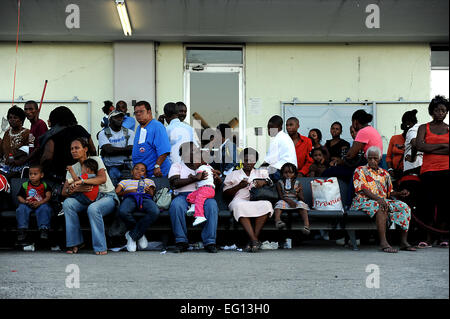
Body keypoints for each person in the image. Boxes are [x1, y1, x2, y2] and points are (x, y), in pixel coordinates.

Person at [351, 146, 415, 253]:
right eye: (370, 158)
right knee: (381, 206)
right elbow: (363, 189)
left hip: (381, 201)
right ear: (366, 158)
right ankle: (383, 242)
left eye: (375, 158)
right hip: (363, 201)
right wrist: (379, 199)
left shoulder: (385, 173)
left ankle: (403, 242)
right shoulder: (360, 170)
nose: (372, 161)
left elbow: (390, 192)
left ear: (380, 159)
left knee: (404, 207)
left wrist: (400, 193)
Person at [62, 138, 118, 255]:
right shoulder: (73, 168)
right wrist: (75, 189)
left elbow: (102, 179)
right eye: (71, 149)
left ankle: (100, 247)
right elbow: (64, 192)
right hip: (86, 198)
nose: (73, 151)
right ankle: (75, 243)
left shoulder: (95, 160)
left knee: (93, 208)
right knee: (68, 203)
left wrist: (82, 182)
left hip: (106, 196)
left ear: (85, 149)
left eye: (77, 148)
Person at [168, 142, 221, 253]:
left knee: (212, 205)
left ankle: (210, 242)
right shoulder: (177, 166)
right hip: (184, 196)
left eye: (197, 150)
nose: (198, 153)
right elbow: (174, 183)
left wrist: (217, 179)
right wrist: (195, 179)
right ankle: (181, 241)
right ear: (184, 155)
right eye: (194, 151)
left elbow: (215, 184)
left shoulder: (205, 166)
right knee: (176, 205)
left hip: (203, 195)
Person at [223, 148, 273, 252]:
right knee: (239, 206)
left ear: (255, 161)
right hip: (239, 200)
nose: (249, 163)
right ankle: (254, 240)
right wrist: (239, 186)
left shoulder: (261, 172)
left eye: (251, 160)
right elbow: (225, 194)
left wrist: (263, 182)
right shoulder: (233, 174)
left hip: (257, 200)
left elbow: (270, 184)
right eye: (246, 160)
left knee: (266, 205)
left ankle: (252, 240)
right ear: (242, 160)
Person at [415, 95, 449, 248]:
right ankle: (427, 238)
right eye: (437, 110)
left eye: (444, 110)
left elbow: (426, 147)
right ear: (431, 111)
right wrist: (443, 147)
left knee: (445, 205)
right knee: (427, 204)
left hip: (447, 171)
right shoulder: (424, 127)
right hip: (428, 171)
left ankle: (442, 237)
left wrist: (432, 148)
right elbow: (420, 146)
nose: (441, 113)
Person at [39, 106, 96, 184]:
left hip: (61, 176)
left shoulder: (53, 134)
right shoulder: (81, 129)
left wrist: (39, 169)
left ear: (54, 119)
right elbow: (93, 150)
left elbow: (47, 157)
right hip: (84, 173)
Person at [116, 162, 159, 252]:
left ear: (145, 174)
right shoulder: (125, 181)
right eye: (136, 169)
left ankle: (132, 235)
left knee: (155, 211)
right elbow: (117, 193)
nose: (139, 171)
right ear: (132, 172)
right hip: (130, 197)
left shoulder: (148, 181)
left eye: (142, 170)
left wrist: (148, 190)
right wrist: (130, 191)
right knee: (123, 211)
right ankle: (139, 234)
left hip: (145, 198)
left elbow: (151, 194)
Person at [132, 101, 171, 177]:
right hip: (143, 174)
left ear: (149, 112)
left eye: (141, 111)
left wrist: (157, 166)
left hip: (157, 174)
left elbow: (164, 150)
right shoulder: (139, 128)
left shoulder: (157, 126)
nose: (138, 114)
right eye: (136, 112)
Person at [16, 164, 53, 243]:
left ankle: (44, 229)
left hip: (40, 204)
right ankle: (22, 230)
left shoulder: (44, 185)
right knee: (21, 208)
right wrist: (26, 202)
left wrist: (40, 203)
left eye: (35, 174)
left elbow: (48, 196)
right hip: (28, 204)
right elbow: (19, 197)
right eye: (30, 174)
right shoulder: (25, 185)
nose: (32, 176)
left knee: (45, 208)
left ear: (41, 175)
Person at [98, 110, 135, 186]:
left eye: (121, 117)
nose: (119, 119)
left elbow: (131, 150)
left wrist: (112, 150)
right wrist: (125, 149)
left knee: (127, 188)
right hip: (111, 166)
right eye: (116, 117)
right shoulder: (103, 133)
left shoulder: (129, 132)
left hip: (127, 166)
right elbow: (109, 150)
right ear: (110, 120)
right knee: (114, 186)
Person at [273, 163, 310, 234]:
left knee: (302, 205)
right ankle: (278, 221)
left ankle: (306, 225)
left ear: (295, 174)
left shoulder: (297, 183)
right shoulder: (280, 183)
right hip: (284, 200)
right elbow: (280, 196)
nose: (288, 175)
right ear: (282, 173)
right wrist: (289, 201)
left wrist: (298, 193)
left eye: (291, 172)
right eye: (286, 172)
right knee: (278, 204)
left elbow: (302, 198)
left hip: (295, 201)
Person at [261, 115, 297, 181]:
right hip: (291, 171)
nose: (269, 130)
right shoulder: (285, 136)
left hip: (281, 171)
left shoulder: (276, 139)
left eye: (272, 128)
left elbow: (268, 161)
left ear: (279, 127)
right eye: (268, 128)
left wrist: (257, 170)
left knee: (259, 175)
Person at [0, 106, 31, 178]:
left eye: (15, 117)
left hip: (19, 168)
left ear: (21, 120)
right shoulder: (7, 133)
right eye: (10, 118)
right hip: (5, 166)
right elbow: (2, 151)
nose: (12, 120)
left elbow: (31, 151)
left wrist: (18, 161)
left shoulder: (28, 133)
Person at [186, 162, 216, 227]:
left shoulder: (201, 167)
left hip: (206, 188)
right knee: (191, 196)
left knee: (199, 200)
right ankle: (193, 207)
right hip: (204, 189)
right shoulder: (208, 167)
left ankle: (199, 216)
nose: (193, 164)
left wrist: (191, 176)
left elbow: (198, 177)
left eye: (195, 163)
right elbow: (218, 172)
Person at [23, 100, 48, 164]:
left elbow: (39, 147)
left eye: (31, 109)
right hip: (33, 162)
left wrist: (24, 160)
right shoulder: (33, 125)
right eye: (26, 109)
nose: (28, 112)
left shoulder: (40, 124)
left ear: (37, 111)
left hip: (38, 164)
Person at [402, 109, 422, 176]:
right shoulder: (421, 128)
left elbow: (414, 143)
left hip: (412, 167)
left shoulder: (411, 130)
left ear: (407, 122)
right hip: (421, 164)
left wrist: (413, 157)